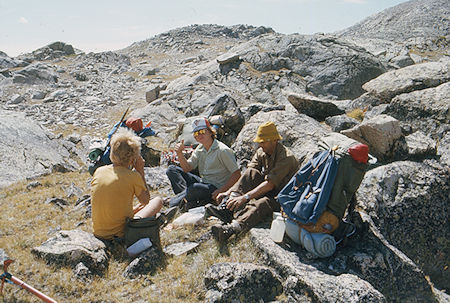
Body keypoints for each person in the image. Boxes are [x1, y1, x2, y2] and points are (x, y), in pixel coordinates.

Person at [206, 121, 300, 243]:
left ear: (274, 140)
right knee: (251, 172)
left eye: (263, 141)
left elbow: (270, 184)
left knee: (263, 203)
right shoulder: (262, 152)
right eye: (259, 142)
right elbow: (250, 172)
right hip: (269, 189)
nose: (260, 145)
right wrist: (229, 192)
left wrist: (245, 198)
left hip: (283, 198)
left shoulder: (286, 157)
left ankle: (232, 229)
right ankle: (226, 208)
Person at [91, 128, 163, 241]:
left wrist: (133, 209)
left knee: (136, 207)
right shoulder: (133, 176)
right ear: (133, 157)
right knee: (157, 201)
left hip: (98, 232)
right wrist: (140, 172)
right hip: (121, 233)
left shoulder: (99, 171)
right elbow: (145, 201)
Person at [166, 117, 241, 210]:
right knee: (172, 170)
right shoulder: (200, 148)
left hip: (216, 187)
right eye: (197, 133)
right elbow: (187, 168)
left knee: (195, 187)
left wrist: (221, 191)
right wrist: (179, 154)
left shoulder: (222, 150)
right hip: (204, 182)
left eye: (202, 132)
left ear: (210, 132)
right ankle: (186, 198)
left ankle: (173, 203)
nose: (199, 135)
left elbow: (237, 174)